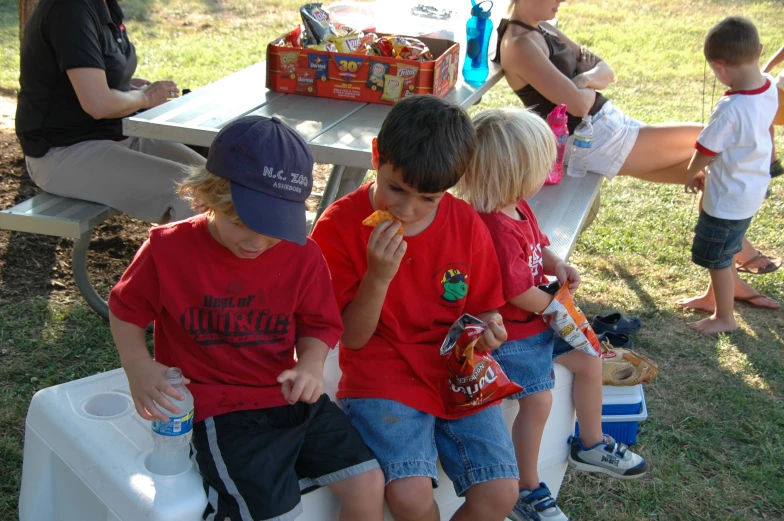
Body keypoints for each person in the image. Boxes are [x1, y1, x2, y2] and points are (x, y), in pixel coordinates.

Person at [108, 115, 385, 521]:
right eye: (241, 223)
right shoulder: (168, 250)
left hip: (289, 396)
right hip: (217, 408)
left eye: (272, 228)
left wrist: (309, 365)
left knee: (368, 482)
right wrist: (137, 366)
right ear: (208, 196)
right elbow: (125, 310)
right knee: (271, 511)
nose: (256, 242)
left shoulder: (302, 254)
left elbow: (318, 324)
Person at [310, 95, 520, 521]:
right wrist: (378, 277)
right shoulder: (338, 227)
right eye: (396, 190)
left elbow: (483, 310)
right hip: (381, 371)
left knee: (500, 493)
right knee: (408, 496)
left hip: (455, 368)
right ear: (375, 157)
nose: (407, 210)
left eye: (429, 198)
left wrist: (490, 327)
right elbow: (351, 337)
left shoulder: (465, 224)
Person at [496, 0, 780, 284]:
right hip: (590, 140)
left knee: (709, 169)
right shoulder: (519, 44)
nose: (562, 0)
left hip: (608, 126)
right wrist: (586, 86)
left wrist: (583, 82)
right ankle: (738, 260)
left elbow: (605, 71)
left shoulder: (544, 28)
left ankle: (732, 276)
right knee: (713, 139)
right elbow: (578, 106)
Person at [454, 107, 648, 521]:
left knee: (592, 361)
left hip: (539, 321)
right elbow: (517, 292)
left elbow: (539, 245)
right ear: (514, 171)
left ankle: (591, 444)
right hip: (513, 334)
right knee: (538, 402)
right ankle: (527, 487)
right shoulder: (491, 225)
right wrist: (554, 307)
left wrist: (556, 263)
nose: (552, 165)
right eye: (544, 160)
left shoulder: (518, 207)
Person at [15, 0, 205, 224]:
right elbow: (98, 103)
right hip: (63, 151)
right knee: (194, 195)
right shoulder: (69, 9)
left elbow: (94, 79)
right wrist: (145, 98)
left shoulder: (105, 6)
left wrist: (130, 89)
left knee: (218, 182)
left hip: (118, 134)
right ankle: (173, 258)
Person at [680, 17, 780, 334]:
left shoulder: (730, 108)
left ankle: (724, 317)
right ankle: (713, 299)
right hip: (750, 191)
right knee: (727, 247)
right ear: (759, 50)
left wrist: (691, 172)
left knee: (719, 257)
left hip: (727, 199)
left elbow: (707, 149)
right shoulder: (769, 87)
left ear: (720, 67)